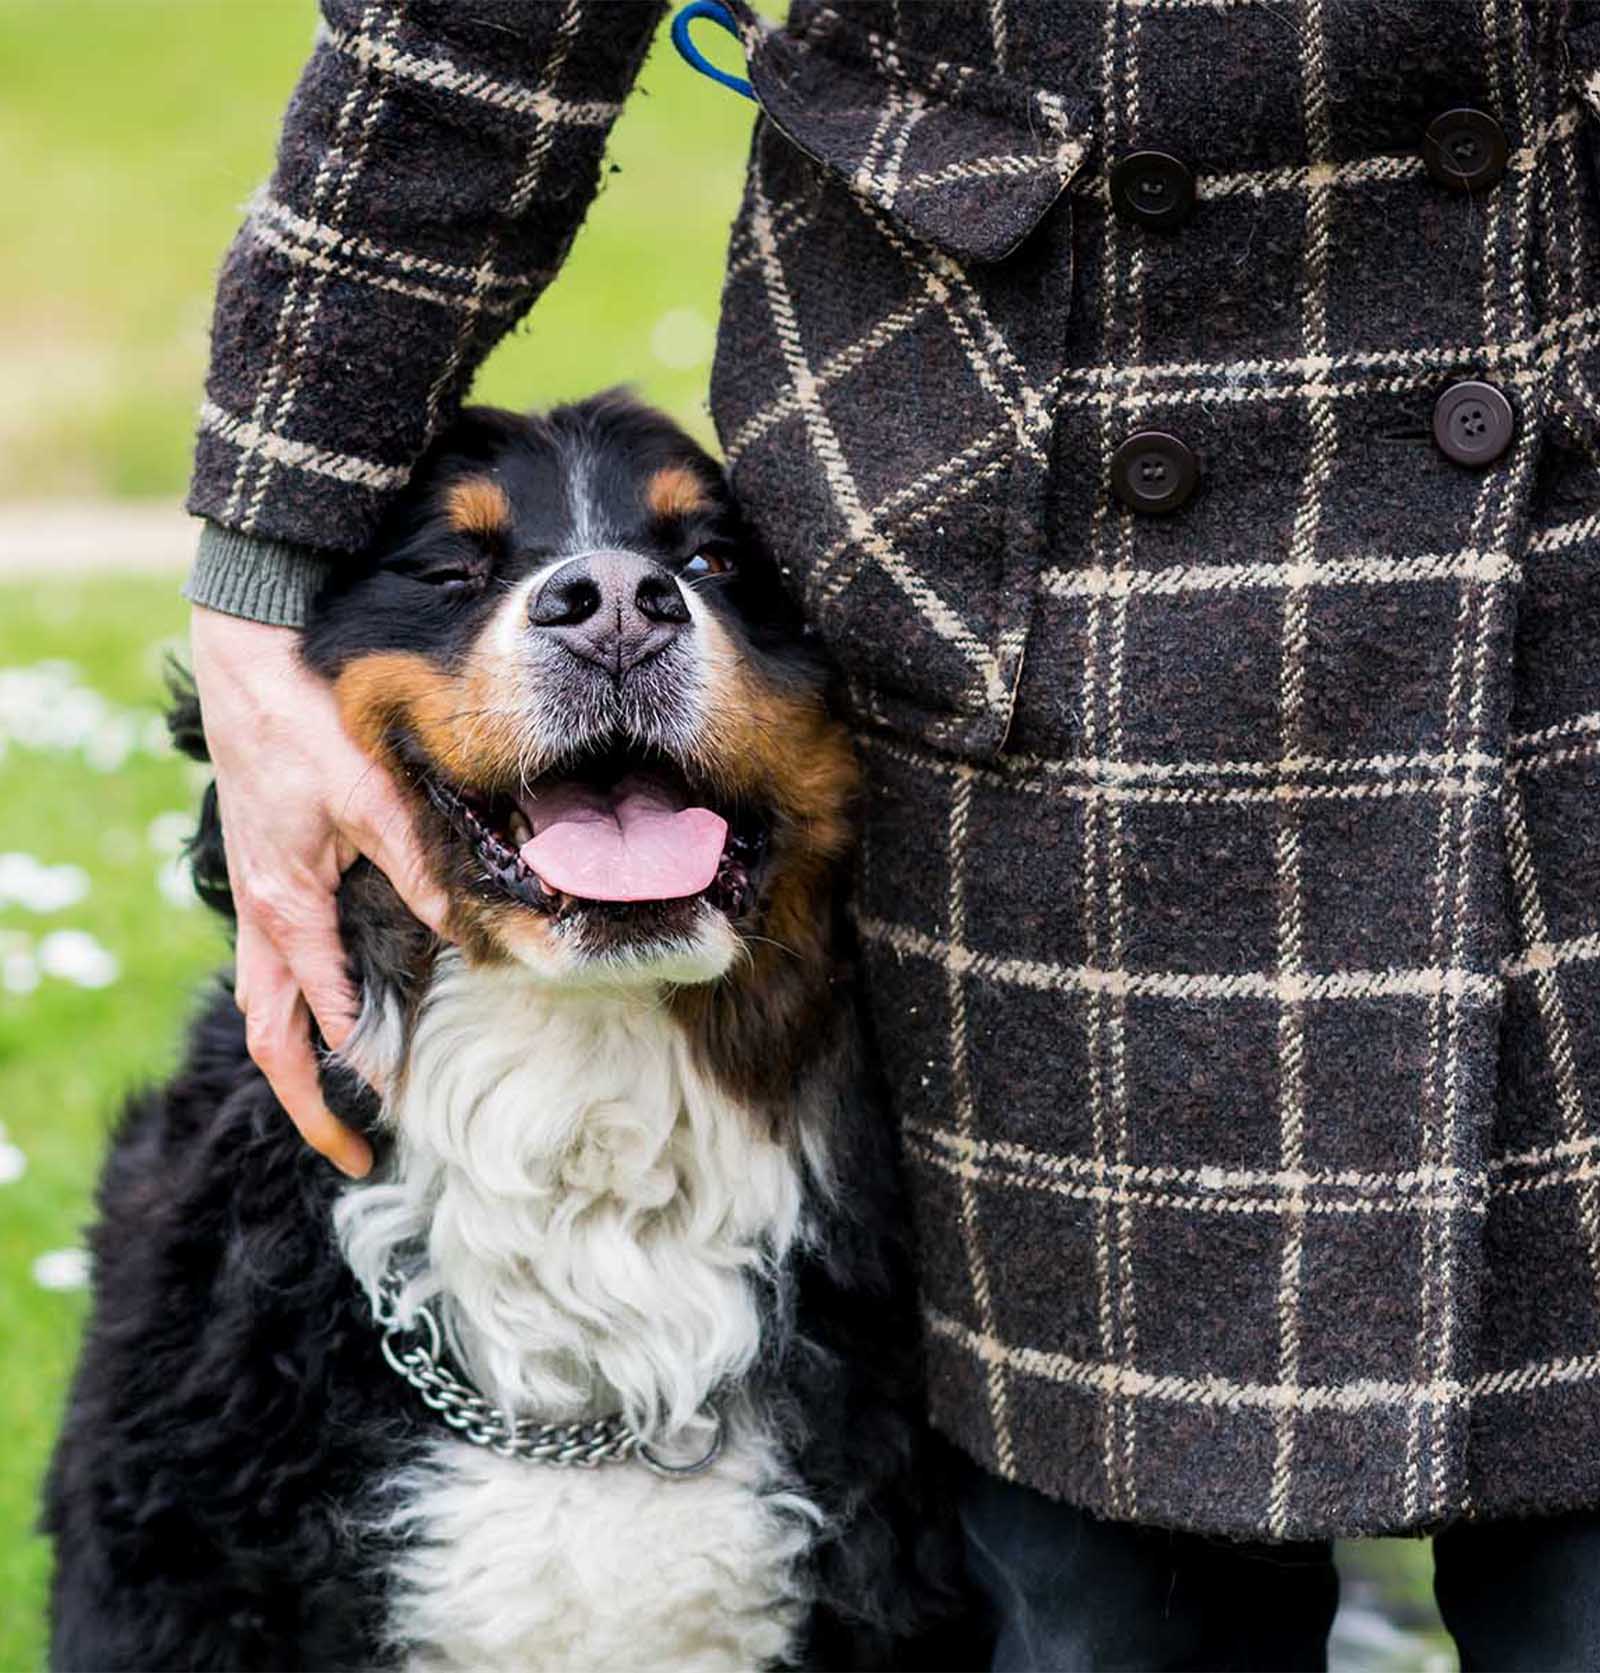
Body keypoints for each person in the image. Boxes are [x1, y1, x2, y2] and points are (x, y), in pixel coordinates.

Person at [185, 1, 1600, 1666]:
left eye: (695, 575)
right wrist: (257, 564)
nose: (614, 609)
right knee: (1108, 1611)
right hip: (1036, 519)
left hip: (1558, 446)